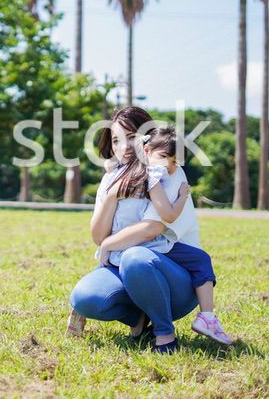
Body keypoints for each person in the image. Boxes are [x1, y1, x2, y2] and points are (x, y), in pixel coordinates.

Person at [65, 106, 199, 354]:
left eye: (131, 137)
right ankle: (138, 318)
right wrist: (113, 194)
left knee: (135, 257)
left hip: (176, 280)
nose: (123, 146)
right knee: (85, 298)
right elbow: (97, 236)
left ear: (148, 139)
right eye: (116, 140)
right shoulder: (112, 177)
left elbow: (152, 228)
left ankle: (164, 333)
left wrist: (107, 245)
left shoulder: (168, 171)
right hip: (125, 272)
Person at [97, 127, 233, 346]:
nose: (169, 165)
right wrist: (181, 197)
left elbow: (114, 164)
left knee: (200, 259)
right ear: (147, 150)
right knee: (201, 260)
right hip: (155, 245)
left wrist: (111, 164)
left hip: (140, 246)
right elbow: (168, 214)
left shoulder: (138, 168)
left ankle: (206, 317)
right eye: (164, 157)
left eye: (173, 161)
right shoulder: (153, 176)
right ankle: (206, 317)